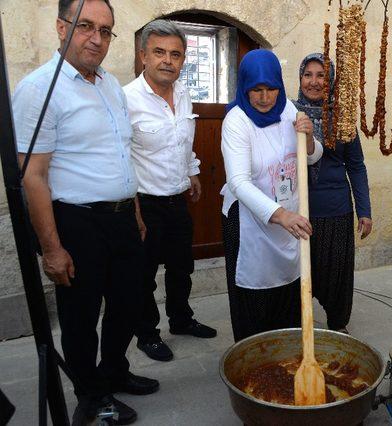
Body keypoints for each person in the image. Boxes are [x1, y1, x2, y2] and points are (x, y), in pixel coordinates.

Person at [13, 1, 158, 424]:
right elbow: (33, 176)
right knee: (81, 316)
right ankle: (91, 395)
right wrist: (51, 249)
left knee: (129, 303)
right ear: (62, 27)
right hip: (77, 222)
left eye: (106, 30)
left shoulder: (110, 85)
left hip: (122, 218)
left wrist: (133, 210)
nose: (97, 38)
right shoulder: (39, 90)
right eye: (86, 26)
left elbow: (119, 153)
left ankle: (114, 370)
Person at [123, 20, 217, 363]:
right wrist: (132, 209)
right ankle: (147, 334)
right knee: (144, 275)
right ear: (143, 55)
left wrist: (192, 172)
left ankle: (181, 320)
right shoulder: (126, 99)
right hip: (143, 203)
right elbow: (120, 158)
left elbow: (182, 143)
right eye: (159, 52)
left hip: (177, 199)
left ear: (183, 59)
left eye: (175, 54)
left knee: (181, 267)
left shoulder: (183, 92)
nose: (168, 60)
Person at [220, 49, 323, 342]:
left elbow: (313, 158)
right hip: (252, 224)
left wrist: (309, 138)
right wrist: (281, 215)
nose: (265, 98)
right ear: (245, 88)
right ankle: (253, 364)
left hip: (288, 224)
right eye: (257, 90)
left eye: (271, 89)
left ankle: (287, 358)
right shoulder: (237, 121)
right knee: (255, 301)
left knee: (288, 293)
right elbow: (238, 182)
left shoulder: (289, 110)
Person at [292, 53, 372, 334]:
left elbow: (356, 165)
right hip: (297, 211)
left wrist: (364, 210)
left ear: (331, 81)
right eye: (308, 75)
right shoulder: (288, 113)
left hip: (336, 210)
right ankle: (298, 324)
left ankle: (337, 324)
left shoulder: (343, 118)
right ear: (300, 78)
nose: (314, 82)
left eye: (321, 76)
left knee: (335, 274)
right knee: (298, 274)